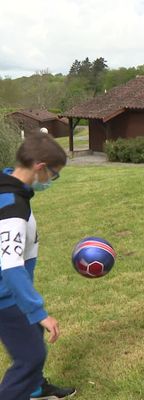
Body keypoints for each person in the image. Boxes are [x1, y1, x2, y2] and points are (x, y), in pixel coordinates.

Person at [0, 133, 76, 399]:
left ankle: (35, 388)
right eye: (53, 175)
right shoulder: (11, 205)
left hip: (15, 292)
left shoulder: (10, 185)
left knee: (32, 339)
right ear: (40, 167)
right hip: (5, 298)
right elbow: (9, 267)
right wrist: (38, 311)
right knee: (30, 357)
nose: (51, 181)